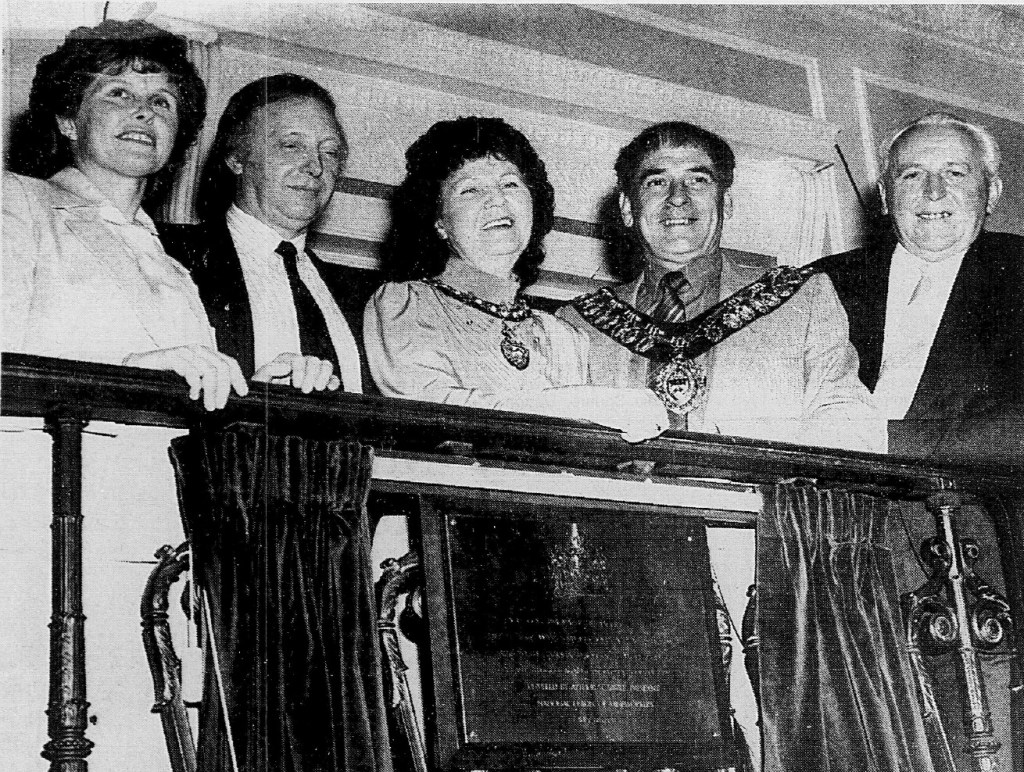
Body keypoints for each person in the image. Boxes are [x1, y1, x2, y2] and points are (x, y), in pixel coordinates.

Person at [559, 121, 883, 452]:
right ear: (628, 209)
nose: (677, 199)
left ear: (726, 203)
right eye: (656, 182)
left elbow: (852, 427)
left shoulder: (801, 300)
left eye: (698, 181)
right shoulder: (577, 323)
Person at [364, 116, 667, 442]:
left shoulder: (563, 335)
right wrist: (583, 403)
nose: (496, 199)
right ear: (439, 221)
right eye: (470, 190)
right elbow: (432, 415)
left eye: (510, 184)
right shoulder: (405, 303)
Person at [3, 19, 246, 411]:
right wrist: (127, 379)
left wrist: (257, 390)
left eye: (162, 101)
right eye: (119, 93)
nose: (144, 112)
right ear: (68, 121)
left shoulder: (175, 270)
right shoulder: (17, 201)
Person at [159, 74, 372, 394]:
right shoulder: (167, 253)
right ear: (236, 157)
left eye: (329, 152)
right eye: (291, 145)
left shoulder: (364, 295)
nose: (315, 167)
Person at [815, 113, 1023, 424]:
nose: (933, 191)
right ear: (886, 197)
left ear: (991, 193)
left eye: (954, 173)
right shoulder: (825, 281)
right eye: (912, 175)